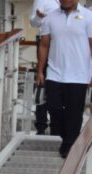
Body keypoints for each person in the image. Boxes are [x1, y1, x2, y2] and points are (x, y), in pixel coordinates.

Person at [37, 0, 92, 158]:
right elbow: (44, 45)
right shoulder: (49, 18)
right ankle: (66, 138)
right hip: (54, 73)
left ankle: (69, 145)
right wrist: (41, 70)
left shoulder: (89, 16)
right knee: (53, 107)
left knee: (74, 113)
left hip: (79, 75)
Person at [30, 0, 62, 135]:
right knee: (42, 82)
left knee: (61, 84)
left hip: (63, 43)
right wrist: (39, 17)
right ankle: (41, 125)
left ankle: (58, 124)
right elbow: (33, 23)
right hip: (46, 41)